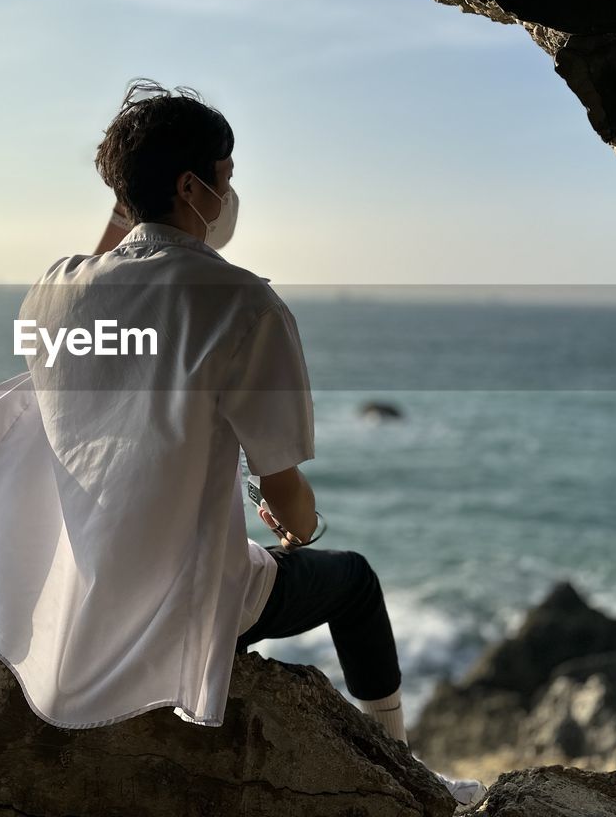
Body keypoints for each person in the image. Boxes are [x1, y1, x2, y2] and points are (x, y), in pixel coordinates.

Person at [24, 77, 486, 809]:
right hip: (184, 598)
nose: (230, 195)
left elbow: (111, 277)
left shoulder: (54, 289)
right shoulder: (243, 303)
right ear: (191, 186)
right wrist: (300, 528)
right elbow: (285, 495)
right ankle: (407, 775)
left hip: (84, 587)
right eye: (225, 177)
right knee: (354, 581)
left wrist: (129, 208)